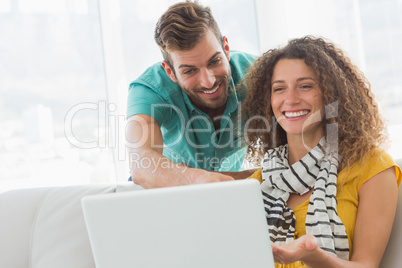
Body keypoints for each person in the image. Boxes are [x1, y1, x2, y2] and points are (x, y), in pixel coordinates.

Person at [242, 36, 401, 267]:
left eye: (305, 86)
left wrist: (314, 256)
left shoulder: (372, 167)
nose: (291, 99)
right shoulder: (261, 181)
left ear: (331, 93)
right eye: (279, 89)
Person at [126, 1, 256, 188]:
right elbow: (141, 164)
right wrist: (196, 180)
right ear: (170, 72)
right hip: (167, 188)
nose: (208, 81)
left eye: (214, 61)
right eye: (189, 71)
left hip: (231, 189)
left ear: (226, 48)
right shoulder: (149, 90)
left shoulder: (257, 73)